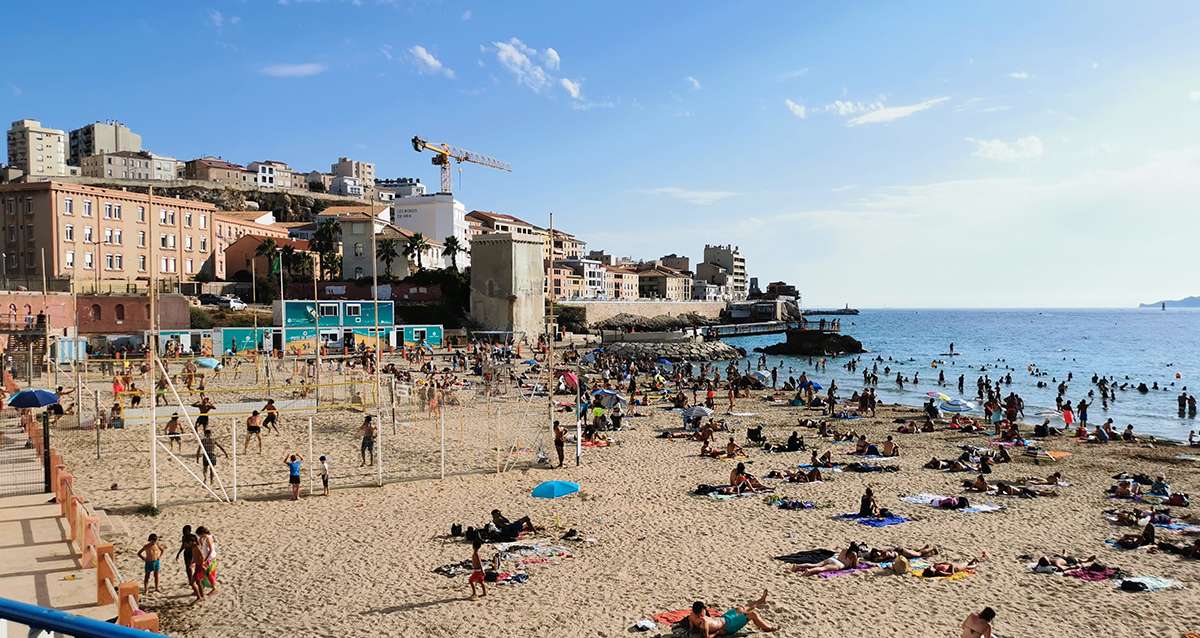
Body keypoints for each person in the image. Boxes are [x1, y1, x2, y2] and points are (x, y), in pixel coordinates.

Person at [688, 590, 777, 636]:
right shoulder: (704, 622)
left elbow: (691, 630)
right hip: (728, 626)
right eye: (703, 609)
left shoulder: (692, 616)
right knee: (753, 614)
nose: (705, 610)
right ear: (700, 612)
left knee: (740, 609)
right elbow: (706, 637)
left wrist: (692, 631)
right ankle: (768, 628)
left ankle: (760, 601)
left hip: (724, 618)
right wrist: (717, 633)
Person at [790, 545, 860, 576]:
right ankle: (809, 571)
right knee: (822, 568)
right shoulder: (854, 554)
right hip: (839, 564)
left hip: (833, 559)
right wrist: (857, 559)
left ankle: (797, 566)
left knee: (815, 565)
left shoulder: (845, 550)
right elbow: (854, 566)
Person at [194, 526, 218, 595]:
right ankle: (203, 587)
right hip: (206, 557)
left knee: (208, 573)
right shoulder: (204, 537)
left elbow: (210, 550)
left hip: (210, 558)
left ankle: (214, 588)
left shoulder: (208, 538)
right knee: (204, 573)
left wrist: (205, 559)